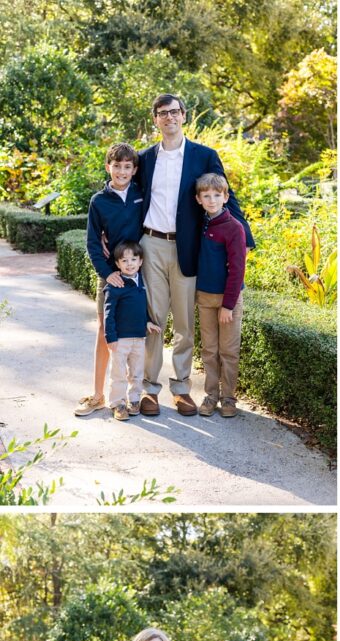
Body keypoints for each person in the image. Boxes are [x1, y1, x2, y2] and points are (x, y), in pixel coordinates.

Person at [135, 93, 254, 417]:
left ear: (184, 116)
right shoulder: (145, 158)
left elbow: (226, 197)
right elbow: (129, 194)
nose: (169, 118)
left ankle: (182, 388)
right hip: (151, 244)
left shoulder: (204, 156)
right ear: (156, 119)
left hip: (188, 248)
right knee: (154, 321)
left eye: (174, 112)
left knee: (185, 324)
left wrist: (243, 235)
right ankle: (150, 389)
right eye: (162, 113)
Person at [75, 142, 145, 418]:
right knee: (105, 332)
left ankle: (135, 395)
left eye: (127, 167)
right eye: (116, 166)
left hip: (138, 274)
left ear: (134, 169)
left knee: (137, 334)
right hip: (111, 277)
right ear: (108, 167)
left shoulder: (141, 194)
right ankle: (98, 395)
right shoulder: (99, 201)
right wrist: (108, 274)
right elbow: (93, 244)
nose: (122, 171)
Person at [194, 173, 248, 418]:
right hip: (205, 297)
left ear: (226, 197)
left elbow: (237, 270)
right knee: (209, 349)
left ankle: (228, 398)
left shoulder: (234, 228)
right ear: (198, 199)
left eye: (217, 195)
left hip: (229, 300)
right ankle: (211, 395)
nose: (212, 200)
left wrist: (228, 305)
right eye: (206, 196)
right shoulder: (201, 224)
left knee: (228, 350)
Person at [103, 241, 153, 421]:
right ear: (117, 264)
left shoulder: (141, 282)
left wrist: (147, 322)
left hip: (139, 338)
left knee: (137, 372)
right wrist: (110, 337)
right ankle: (118, 403)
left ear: (141, 261)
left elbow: (141, 308)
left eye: (134, 259)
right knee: (118, 372)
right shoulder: (114, 286)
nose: (129, 263)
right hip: (120, 340)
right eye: (124, 260)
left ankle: (134, 399)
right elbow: (108, 314)